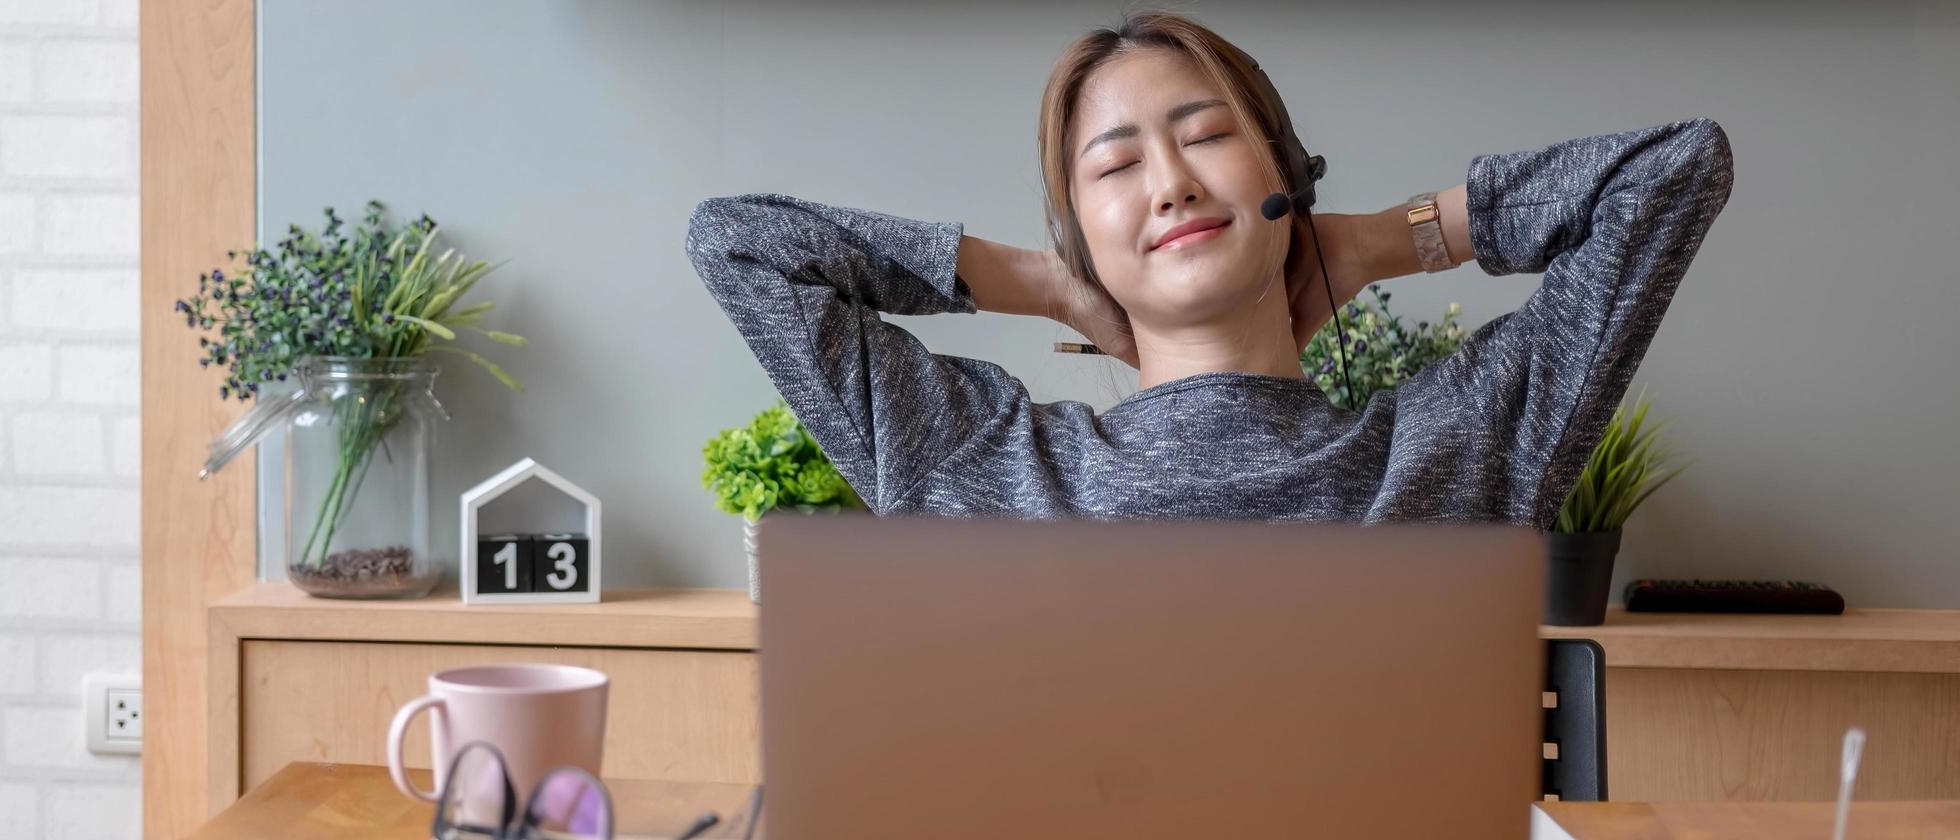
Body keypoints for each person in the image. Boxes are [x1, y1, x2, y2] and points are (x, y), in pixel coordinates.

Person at [683, 10, 1733, 527]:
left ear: (1285, 174)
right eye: (1118, 163)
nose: (1172, 183)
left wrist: (1366, 240)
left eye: (1206, 135)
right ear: (1083, 229)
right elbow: (740, 243)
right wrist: (1048, 280)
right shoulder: (978, 463)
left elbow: (1671, 172)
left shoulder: (1457, 445)